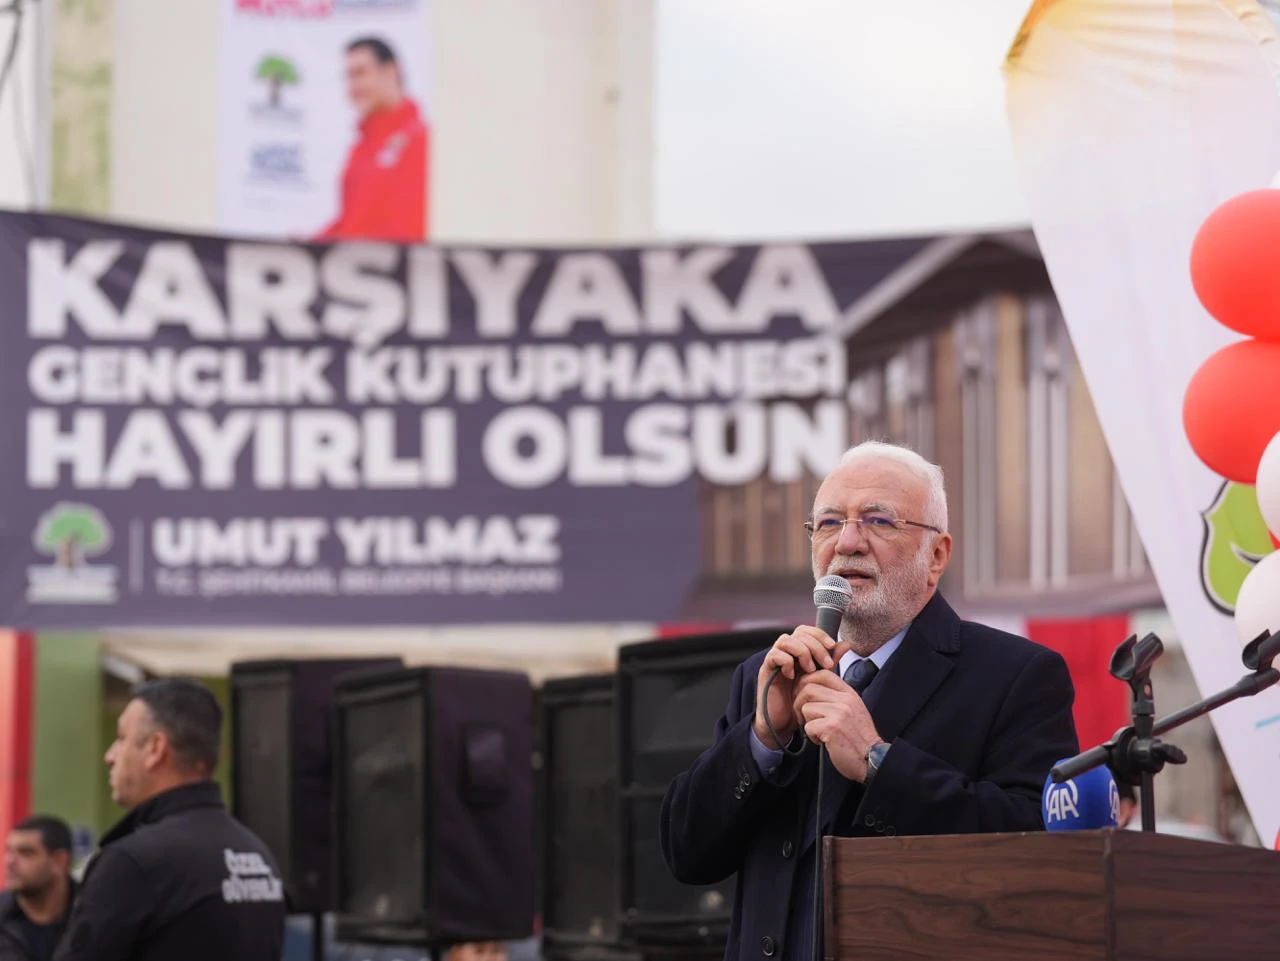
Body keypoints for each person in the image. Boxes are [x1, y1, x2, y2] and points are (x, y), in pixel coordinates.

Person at [660, 441, 1080, 961]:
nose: (847, 542)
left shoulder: (1016, 675)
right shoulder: (764, 676)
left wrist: (877, 761)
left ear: (937, 555)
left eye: (878, 521)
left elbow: (1036, 854)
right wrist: (761, 741)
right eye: (829, 523)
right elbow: (688, 854)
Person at [53, 678, 285, 961]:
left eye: (122, 739)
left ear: (155, 748)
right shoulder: (257, 855)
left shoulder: (133, 862)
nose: (109, 756)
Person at [315, 36, 429, 242]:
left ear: (391, 70)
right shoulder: (362, 145)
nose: (353, 86)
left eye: (360, 73)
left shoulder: (420, 141)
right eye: (348, 77)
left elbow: (405, 232)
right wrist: (308, 247)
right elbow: (351, 220)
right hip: (352, 259)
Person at [1, 816, 76, 961]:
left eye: (25, 853)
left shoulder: (92, 914)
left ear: (59, 861)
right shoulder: (3, 916)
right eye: (8, 851)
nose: (9, 862)